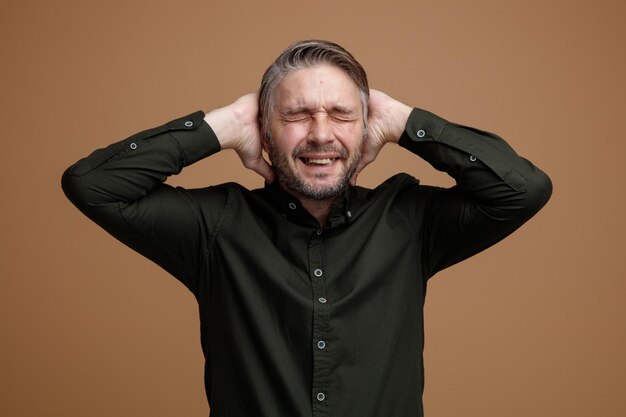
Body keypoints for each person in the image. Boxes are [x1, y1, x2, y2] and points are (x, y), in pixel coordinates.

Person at [62, 40, 552, 417]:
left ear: (367, 129)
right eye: (295, 115)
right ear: (265, 131)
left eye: (342, 115)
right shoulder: (215, 227)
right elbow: (93, 185)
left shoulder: (408, 219)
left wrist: (403, 120)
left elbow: (523, 189)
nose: (320, 133)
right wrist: (225, 123)